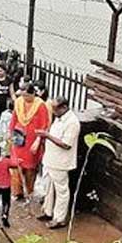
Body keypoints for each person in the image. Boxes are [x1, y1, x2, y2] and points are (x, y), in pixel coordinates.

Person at [35, 97, 80, 229]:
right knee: (49, 187)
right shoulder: (59, 118)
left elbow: (66, 144)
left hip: (60, 162)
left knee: (62, 191)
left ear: (64, 107)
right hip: (50, 159)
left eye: (55, 109)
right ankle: (48, 211)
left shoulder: (72, 123)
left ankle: (60, 218)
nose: (53, 112)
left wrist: (47, 135)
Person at [9, 84, 52, 201]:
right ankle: (17, 191)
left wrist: (38, 141)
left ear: (33, 94)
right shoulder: (18, 102)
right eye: (23, 96)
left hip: (32, 140)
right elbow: (14, 119)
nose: (25, 98)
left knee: (30, 168)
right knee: (15, 165)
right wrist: (10, 133)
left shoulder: (40, 105)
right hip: (18, 137)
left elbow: (44, 124)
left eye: (27, 96)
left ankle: (29, 190)